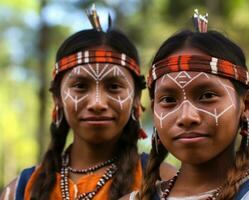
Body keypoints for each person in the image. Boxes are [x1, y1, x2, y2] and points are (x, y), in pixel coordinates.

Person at [0, 6, 175, 200]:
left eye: (114, 86)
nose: (97, 103)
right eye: (81, 86)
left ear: (136, 97)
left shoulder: (166, 183)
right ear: (57, 98)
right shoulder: (20, 190)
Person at [127, 11, 249, 200]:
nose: (186, 116)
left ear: (247, 105)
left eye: (207, 95)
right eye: (168, 100)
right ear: (154, 110)